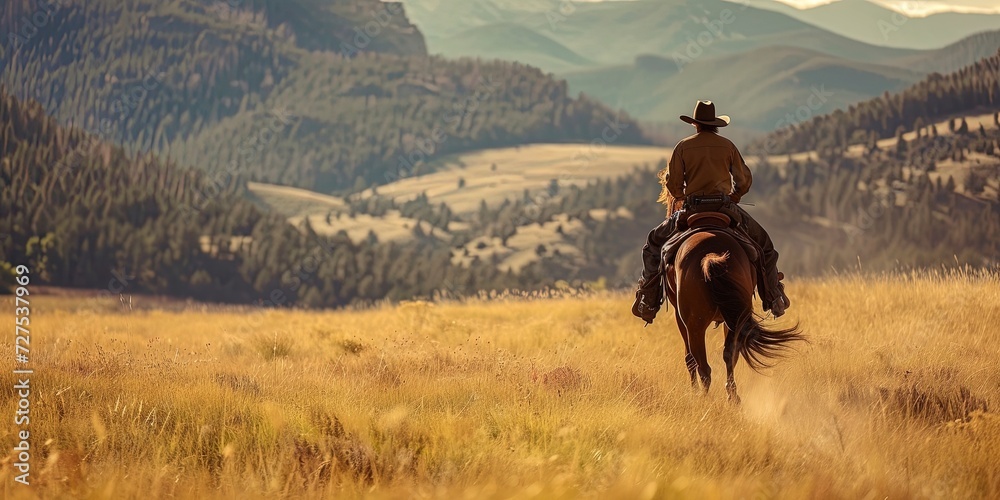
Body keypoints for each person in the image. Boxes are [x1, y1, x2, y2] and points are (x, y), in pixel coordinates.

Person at [632, 100, 791, 323]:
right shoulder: (727, 146)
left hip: (692, 207)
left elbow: (673, 184)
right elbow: (743, 180)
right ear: (715, 125)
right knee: (764, 246)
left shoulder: (682, 147)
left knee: (653, 244)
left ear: (695, 124)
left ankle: (648, 300)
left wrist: (682, 196)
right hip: (724, 207)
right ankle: (774, 297)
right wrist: (735, 196)